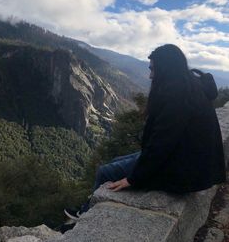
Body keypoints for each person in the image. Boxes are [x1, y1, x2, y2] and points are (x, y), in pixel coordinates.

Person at [64, 44, 227, 222]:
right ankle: (86, 210)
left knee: (105, 172)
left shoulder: (177, 96)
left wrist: (134, 179)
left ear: (166, 69)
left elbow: (162, 143)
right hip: (190, 159)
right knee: (115, 162)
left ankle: (86, 217)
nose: (150, 75)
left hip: (185, 170)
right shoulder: (191, 85)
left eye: (153, 69)